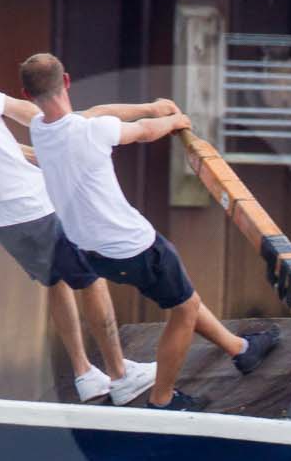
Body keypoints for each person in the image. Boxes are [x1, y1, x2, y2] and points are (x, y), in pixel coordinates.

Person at [0, 17, 155, 405]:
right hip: (32, 204)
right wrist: (72, 130)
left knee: (57, 281)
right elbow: (31, 113)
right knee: (90, 279)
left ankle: (85, 373)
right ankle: (122, 375)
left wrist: (34, 154)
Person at [21, 52, 278, 409]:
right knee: (184, 309)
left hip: (93, 253)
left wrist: (151, 106)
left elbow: (98, 113)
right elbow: (142, 133)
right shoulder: (91, 131)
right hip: (135, 246)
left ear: (28, 95)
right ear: (66, 81)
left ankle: (242, 350)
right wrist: (175, 120)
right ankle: (163, 398)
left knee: (180, 295)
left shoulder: (41, 129)